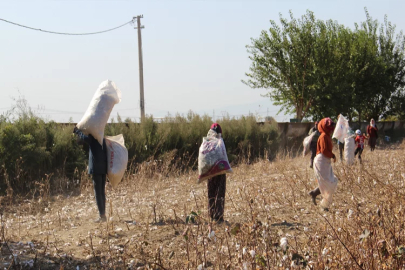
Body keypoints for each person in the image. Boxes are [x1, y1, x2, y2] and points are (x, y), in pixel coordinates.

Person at [73, 127, 108, 223]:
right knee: (101, 192)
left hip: (96, 169)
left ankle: (102, 216)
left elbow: (83, 138)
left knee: (98, 193)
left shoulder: (93, 138)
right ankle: (103, 214)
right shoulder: (102, 140)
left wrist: (77, 131)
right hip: (103, 169)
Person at [308, 118, 338, 211]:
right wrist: (332, 155)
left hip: (325, 161)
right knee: (329, 183)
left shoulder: (327, 135)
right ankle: (324, 205)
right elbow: (324, 151)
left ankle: (315, 194)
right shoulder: (324, 136)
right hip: (322, 161)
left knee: (329, 181)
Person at [206, 123, 226, 223]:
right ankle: (219, 216)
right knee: (220, 192)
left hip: (210, 171)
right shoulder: (220, 141)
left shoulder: (207, 142)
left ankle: (212, 214)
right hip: (220, 171)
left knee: (211, 191)